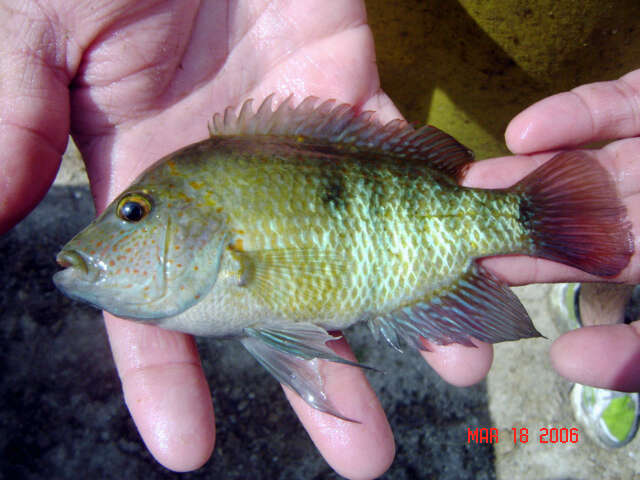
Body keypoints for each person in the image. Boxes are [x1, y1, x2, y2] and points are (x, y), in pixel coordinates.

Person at [0, 1, 637, 478]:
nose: (111, 231)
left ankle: (585, 277)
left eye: (134, 211)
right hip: (405, 53)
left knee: (556, 146)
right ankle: (584, 279)